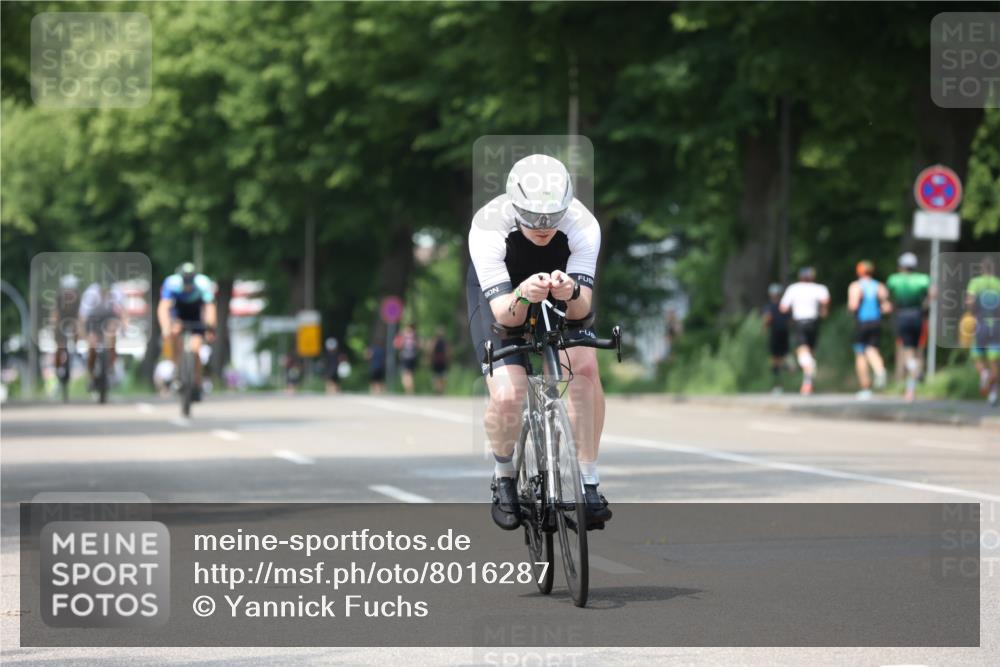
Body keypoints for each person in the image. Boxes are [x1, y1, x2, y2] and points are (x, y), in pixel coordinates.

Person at [467, 153, 610, 530]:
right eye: (532, 217)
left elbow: (581, 311)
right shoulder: (488, 226)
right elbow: (505, 316)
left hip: (558, 292)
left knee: (585, 367)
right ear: (514, 205)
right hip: (503, 298)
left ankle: (589, 482)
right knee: (508, 395)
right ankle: (504, 477)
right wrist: (524, 295)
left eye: (552, 217)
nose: (543, 226)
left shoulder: (583, 224)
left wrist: (570, 290)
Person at [157, 262, 216, 401]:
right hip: (178, 313)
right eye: (185, 281)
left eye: (190, 281)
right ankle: (178, 370)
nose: (188, 284)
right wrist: (165, 327)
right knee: (175, 333)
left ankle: (197, 382)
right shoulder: (172, 283)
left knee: (196, 348)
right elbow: (163, 307)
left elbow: (210, 307)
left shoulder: (203, 283)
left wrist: (211, 327)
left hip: (195, 313)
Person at [886, 252, 931, 401]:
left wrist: (891, 307)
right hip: (918, 315)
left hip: (903, 315)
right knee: (918, 350)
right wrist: (924, 306)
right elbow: (931, 295)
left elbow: (888, 297)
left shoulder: (894, 279)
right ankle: (911, 388)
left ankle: (913, 370)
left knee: (907, 351)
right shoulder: (923, 279)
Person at [780, 267, 830, 396]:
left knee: (802, 351)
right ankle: (808, 383)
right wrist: (823, 310)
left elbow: (783, 307)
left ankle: (809, 373)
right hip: (814, 322)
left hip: (800, 322)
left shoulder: (794, 288)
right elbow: (825, 300)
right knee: (810, 351)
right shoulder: (819, 288)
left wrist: (792, 310)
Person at [848, 260, 891, 400]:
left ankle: (865, 388)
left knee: (861, 354)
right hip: (876, 322)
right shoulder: (879, 286)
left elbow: (853, 306)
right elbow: (887, 307)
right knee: (872, 349)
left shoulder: (856, 286)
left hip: (862, 322)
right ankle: (879, 369)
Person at [79, 278, 128, 391]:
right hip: (93, 319)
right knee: (92, 344)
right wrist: (84, 334)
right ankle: (90, 374)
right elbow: (83, 316)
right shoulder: (90, 294)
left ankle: (110, 367)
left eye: (107, 291)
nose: (105, 294)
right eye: (103, 291)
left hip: (109, 317)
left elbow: (123, 312)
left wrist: (124, 328)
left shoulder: (117, 292)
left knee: (112, 334)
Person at [966, 255, 1000, 406]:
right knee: (994, 361)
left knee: (978, 357)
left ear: (982, 269)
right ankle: (993, 394)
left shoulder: (975, 282)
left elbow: (970, 301)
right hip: (996, 326)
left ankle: (984, 374)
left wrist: (971, 313)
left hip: (980, 324)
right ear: (993, 270)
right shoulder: (998, 283)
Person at [52, 274, 82, 388]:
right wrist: (55, 324)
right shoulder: (59, 297)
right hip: (61, 320)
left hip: (73, 319)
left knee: (77, 328)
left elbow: (80, 313)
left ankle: (75, 347)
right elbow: (55, 313)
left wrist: (79, 324)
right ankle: (58, 366)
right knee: (59, 345)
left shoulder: (78, 298)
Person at [762, 283, 789, 393]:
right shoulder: (784, 306)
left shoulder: (768, 306)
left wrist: (764, 328)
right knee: (784, 355)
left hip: (775, 334)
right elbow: (790, 319)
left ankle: (777, 384)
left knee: (775, 360)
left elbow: (768, 318)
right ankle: (787, 373)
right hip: (785, 333)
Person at [394, 324, 420, 395]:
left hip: (404, 357)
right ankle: (410, 389)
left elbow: (396, 345)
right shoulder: (414, 336)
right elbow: (418, 346)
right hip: (413, 357)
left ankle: (407, 389)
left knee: (405, 374)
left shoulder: (402, 335)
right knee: (410, 374)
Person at [429, 328, 450, 395]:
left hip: (436, 360)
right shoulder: (445, 342)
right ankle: (441, 389)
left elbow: (431, 350)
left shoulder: (434, 341)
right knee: (442, 376)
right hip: (442, 361)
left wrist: (430, 358)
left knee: (436, 376)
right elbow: (448, 352)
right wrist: (447, 359)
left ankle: (438, 389)